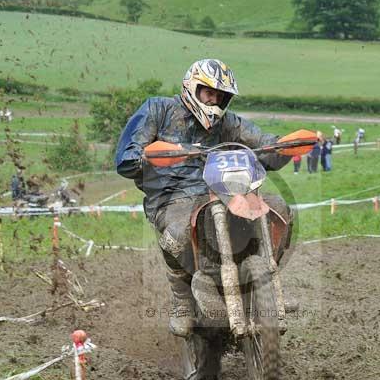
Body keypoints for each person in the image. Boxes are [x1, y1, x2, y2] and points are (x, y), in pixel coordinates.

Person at [116, 58, 295, 337]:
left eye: (220, 96)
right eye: (208, 93)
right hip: (173, 197)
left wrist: (284, 147)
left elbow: (263, 142)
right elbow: (126, 157)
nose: (214, 101)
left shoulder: (229, 123)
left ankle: (267, 283)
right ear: (192, 87)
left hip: (226, 192)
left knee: (279, 209)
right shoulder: (158, 109)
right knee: (178, 232)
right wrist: (149, 156)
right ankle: (182, 298)